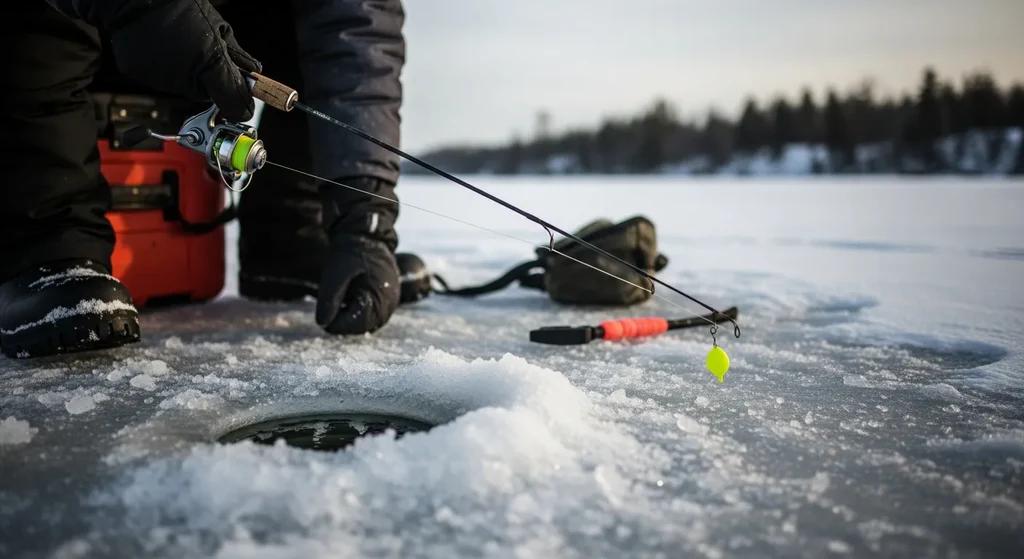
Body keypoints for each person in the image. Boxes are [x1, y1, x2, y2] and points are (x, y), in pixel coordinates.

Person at [0, 0, 406, 358]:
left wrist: (364, 217)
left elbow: (358, 37)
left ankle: (292, 238)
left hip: (200, 49)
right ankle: (47, 244)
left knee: (306, 23)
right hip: (95, 34)